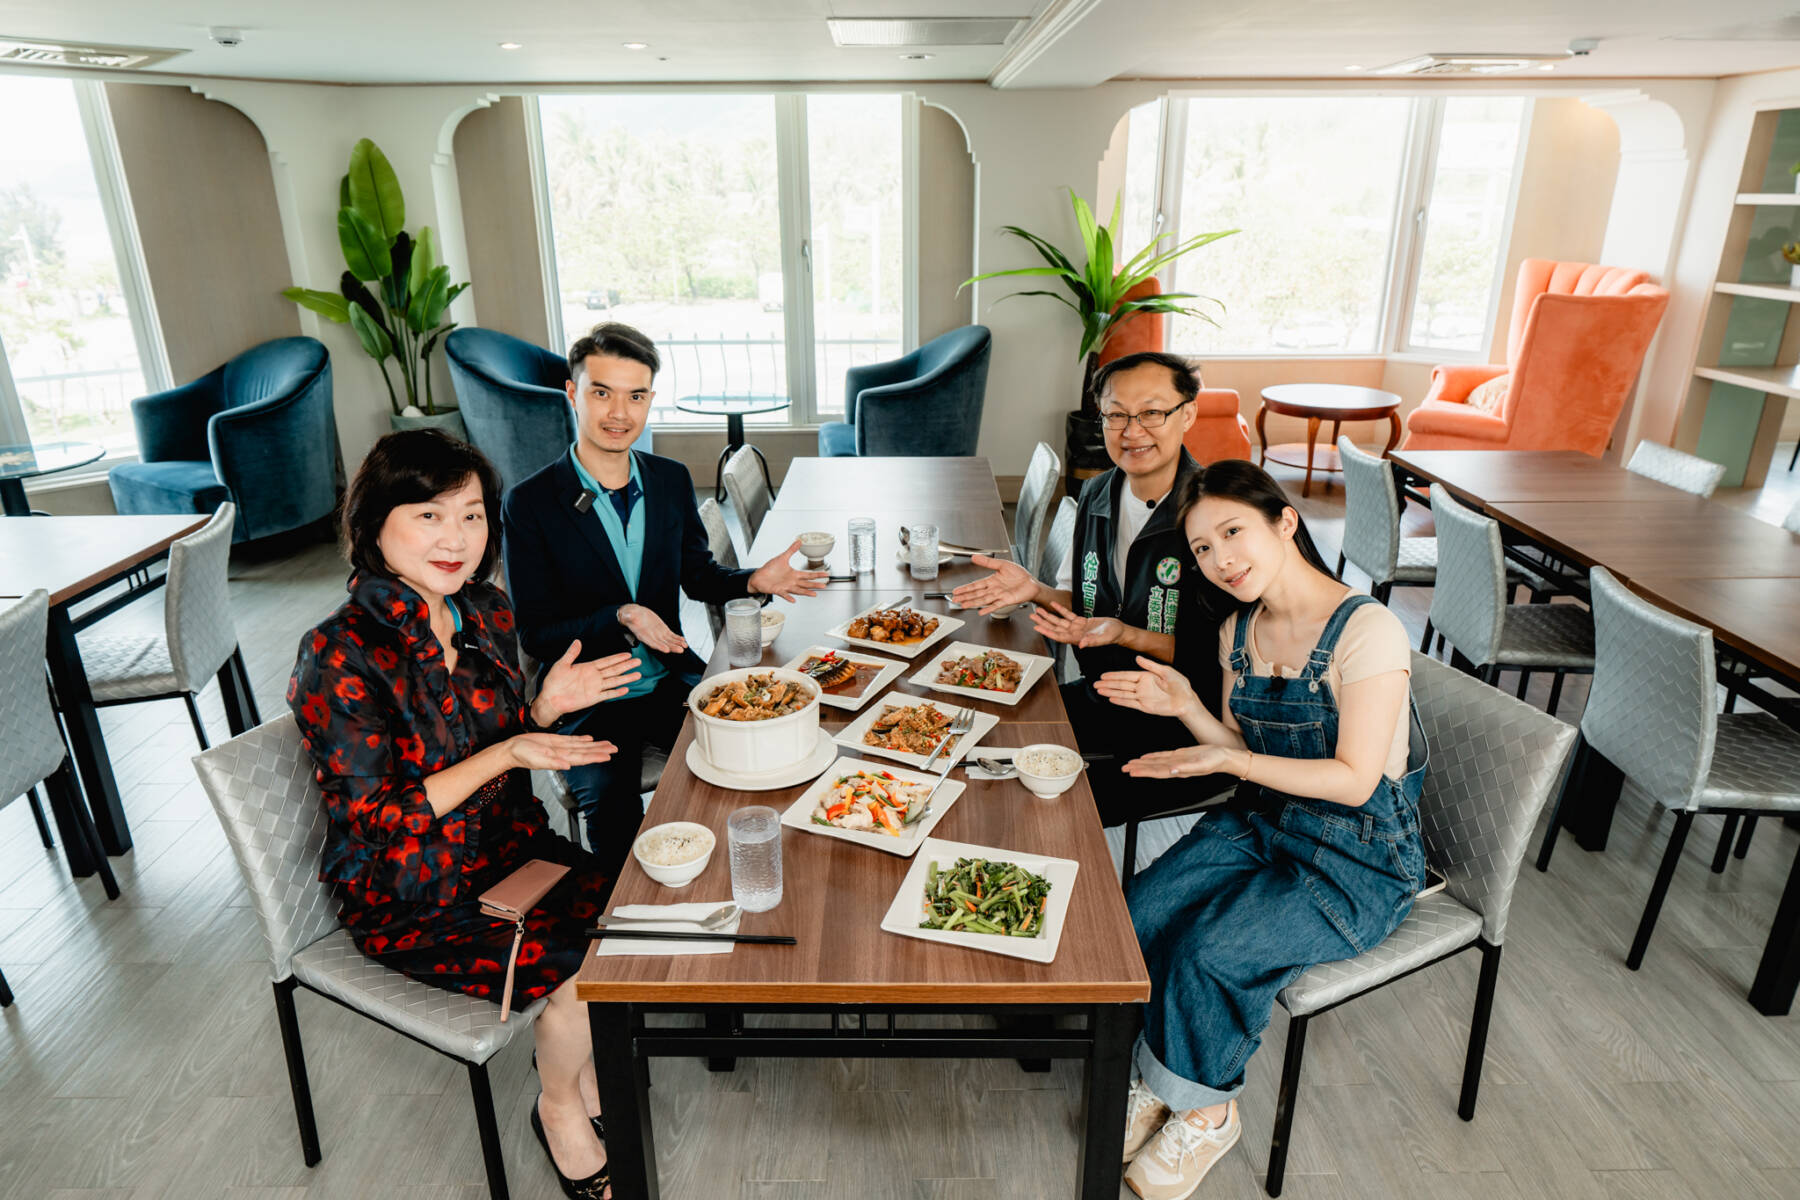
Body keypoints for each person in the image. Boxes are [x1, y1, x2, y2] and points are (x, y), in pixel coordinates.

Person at [290, 429, 641, 1198]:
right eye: (429, 515)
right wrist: (511, 749)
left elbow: (500, 738)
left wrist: (541, 711)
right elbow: (378, 818)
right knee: (585, 965)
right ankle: (559, 1108)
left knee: (631, 913)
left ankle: (572, 1069)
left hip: (512, 851)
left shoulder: (485, 610)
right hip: (413, 893)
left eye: (472, 516)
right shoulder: (339, 654)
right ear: (374, 523)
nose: (456, 539)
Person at [1091, 460, 1427, 1200]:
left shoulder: (1367, 629)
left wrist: (1232, 759)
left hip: (1359, 859)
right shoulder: (1238, 630)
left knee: (1210, 952)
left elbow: (1355, 780)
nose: (1220, 559)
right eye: (1202, 548)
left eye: (1232, 532)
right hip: (1264, 821)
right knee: (1139, 914)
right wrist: (1185, 703)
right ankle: (1166, 1080)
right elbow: (1239, 745)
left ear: (1285, 522)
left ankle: (1207, 1113)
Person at [503, 322, 826, 876]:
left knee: (755, 753)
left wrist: (754, 580)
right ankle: (623, 918)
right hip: (590, 697)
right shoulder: (529, 503)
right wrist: (621, 615)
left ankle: (740, 881)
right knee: (614, 813)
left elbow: (698, 577)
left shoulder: (670, 480)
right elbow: (534, 633)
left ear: (651, 399)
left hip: (670, 680)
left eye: (635, 396)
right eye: (602, 393)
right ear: (572, 393)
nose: (619, 413)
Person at [950, 350, 1235, 827]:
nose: (1132, 431)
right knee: (981, 740)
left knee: (1039, 809)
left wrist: (1124, 634)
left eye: (1151, 412)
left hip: (1181, 723)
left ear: (1188, 414)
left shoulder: (1212, 517)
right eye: (1116, 415)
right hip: (1103, 694)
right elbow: (1086, 611)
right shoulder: (1096, 492)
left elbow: (1213, 654)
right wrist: (1035, 590)